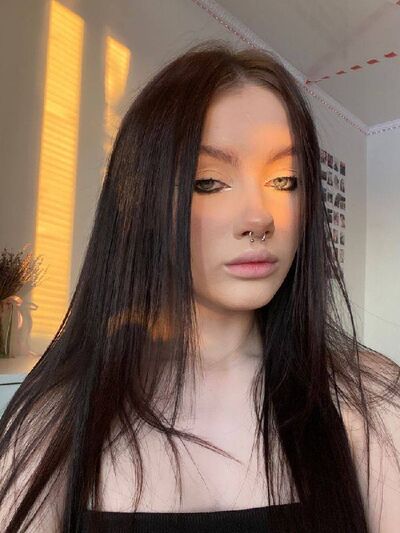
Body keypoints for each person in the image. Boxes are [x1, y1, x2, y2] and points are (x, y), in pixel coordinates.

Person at [1, 39, 399, 533]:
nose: (259, 218)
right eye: (208, 182)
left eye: (285, 180)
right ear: (141, 203)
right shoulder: (58, 416)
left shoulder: (371, 399)